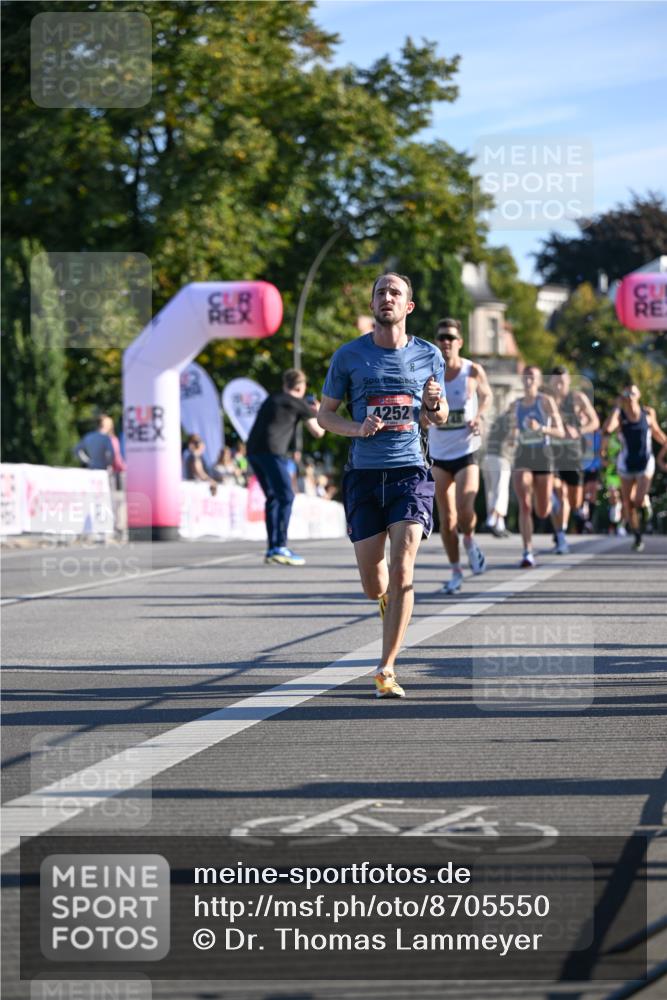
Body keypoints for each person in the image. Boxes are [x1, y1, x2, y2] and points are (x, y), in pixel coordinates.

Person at [317, 272, 447, 698]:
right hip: (364, 475)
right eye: (380, 293)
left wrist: (433, 406)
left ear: (408, 306)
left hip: (410, 471)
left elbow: (437, 416)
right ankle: (385, 604)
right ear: (373, 305)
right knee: (374, 584)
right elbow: (325, 416)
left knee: (403, 566)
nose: (387, 297)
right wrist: (357, 428)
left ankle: (386, 667)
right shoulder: (349, 356)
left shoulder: (429, 355)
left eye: (395, 293)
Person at [427, 318, 493, 594]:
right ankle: (455, 571)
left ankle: (469, 540)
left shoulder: (472, 370)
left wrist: (479, 416)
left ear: (460, 342)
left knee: (466, 508)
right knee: (447, 519)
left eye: (451, 338)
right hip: (439, 454)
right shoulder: (429, 371)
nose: (446, 342)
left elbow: (486, 396)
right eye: (442, 337)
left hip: (466, 450)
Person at [247, 368, 325, 565]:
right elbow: (318, 432)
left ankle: (272, 548)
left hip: (254, 451)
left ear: (285, 384)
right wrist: (317, 412)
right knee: (286, 496)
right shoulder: (298, 403)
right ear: (301, 386)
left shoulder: (272, 398)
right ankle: (280, 546)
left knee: (273, 497)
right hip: (273, 452)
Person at [509, 366, 565, 568]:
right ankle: (527, 551)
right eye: (525, 376)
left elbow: (560, 432)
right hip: (523, 454)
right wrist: (511, 438)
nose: (528, 380)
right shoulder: (515, 405)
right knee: (525, 504)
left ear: (539, 381)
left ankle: (552, 502)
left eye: (532, 377)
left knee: (542, 511)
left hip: (543, 454)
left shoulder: (546, 401)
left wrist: (540, 428)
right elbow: (512, 431)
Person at [601, 383, 667, 551]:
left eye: (633, 393)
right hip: (626, 464)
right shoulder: (620, 416)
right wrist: (616, 408)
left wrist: (661, 459)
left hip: (645, 462)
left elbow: (660, 436)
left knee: (637, 500)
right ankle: (637, 535)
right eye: (626, 393)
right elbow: (607, 429)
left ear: (639, 395)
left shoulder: (648, 414)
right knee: (628, 504)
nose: (630, 396)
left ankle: (645, 503)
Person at [547, 366, 600, 554]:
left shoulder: (578, 398)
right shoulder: (546, 400)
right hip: (551, 453)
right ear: (551, 382)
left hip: (572, 454)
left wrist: (579, 430)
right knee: (559, 493)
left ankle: (576, 513)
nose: (559, 386)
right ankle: (560, 535)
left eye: (562, 382)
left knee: (573, 500)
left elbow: (595, 422)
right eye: (556, 382)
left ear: (568, 381)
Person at [482, 409, 514, 538]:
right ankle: (491, 520)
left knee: (490, 492)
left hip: (487, 457)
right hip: (501, 458)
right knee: (501, 490)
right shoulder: (512, 420)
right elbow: (512, 440)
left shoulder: (498, 420)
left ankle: (500, 525)